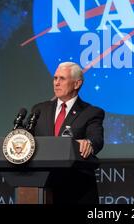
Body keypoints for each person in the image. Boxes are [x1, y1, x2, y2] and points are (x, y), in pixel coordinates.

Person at [32, 62, 104, 204]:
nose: (56, 83)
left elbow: (96, 139)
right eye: (55, 78)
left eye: (62, 79)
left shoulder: (91, 112)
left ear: (77, 84)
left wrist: (88, 143)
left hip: (75, 189)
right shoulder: (40, 109)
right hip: (42, 187)